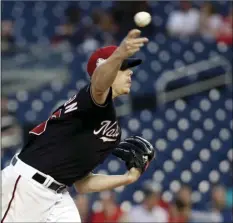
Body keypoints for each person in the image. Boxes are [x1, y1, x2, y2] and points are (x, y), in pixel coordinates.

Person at [1, 29, 154, 222]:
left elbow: (82, 183)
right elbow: (99, 84)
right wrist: (119, 54)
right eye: (123, 67)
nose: (130, 72)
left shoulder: (112, 130)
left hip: (58, 195)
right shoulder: (90, 100)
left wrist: (127, 178)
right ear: (106, 68)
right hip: (27, 186)